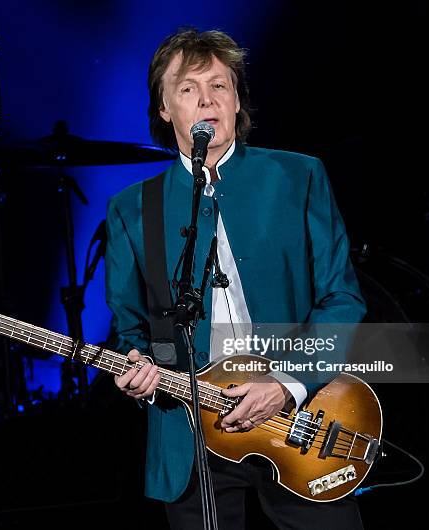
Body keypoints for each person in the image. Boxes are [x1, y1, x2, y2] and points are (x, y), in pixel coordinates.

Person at [105, 28, 366, 529]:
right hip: (192, 436)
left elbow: (341, 298)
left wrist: (287, 383)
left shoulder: (299, 176)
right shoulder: (132, 210)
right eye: (187, 89)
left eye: (219, 86)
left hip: (301, 419)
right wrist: (138, 373)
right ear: (164, 109)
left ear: (236, 99)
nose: (206, 100)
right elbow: (132, 332)